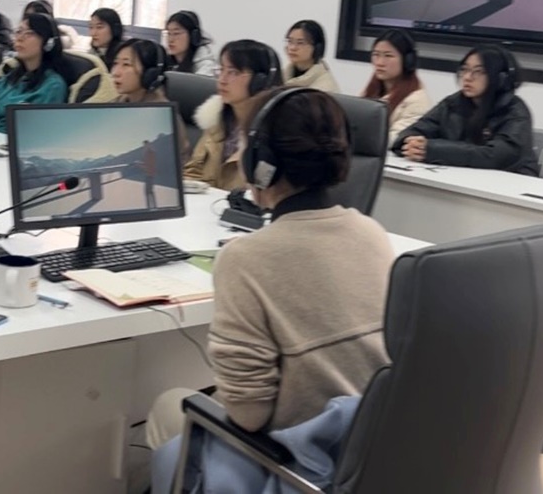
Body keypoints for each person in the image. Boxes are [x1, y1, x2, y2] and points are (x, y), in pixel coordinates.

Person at [146, 88, 393, 491]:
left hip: (294, 468)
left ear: (261, 164)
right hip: (363, 460)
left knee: (168, 406)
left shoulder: (246, 258)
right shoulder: (373, 234)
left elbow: (248, 416)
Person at [392, 44, 540, 175]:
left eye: (478, 71)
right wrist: (412, 144)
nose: (467, 77)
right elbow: (410, 133)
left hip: (509, 186)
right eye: (465, 70)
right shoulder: (452, 104)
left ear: (501, 78)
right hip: (461, 178)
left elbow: (495, 156)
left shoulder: (515, 112)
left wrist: (433, 150)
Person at [184, 40, 283, 191]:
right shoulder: (216, 121)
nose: (222, 80)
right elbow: (192, 174)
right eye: (221, 70)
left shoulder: (273, 132)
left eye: (233, 72)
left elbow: (267, 193)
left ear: (260, 81)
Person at [0, 13, 69, 133]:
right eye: (19, 31)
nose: (20, 38)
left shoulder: (53, 86)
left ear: (48, 43)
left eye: (29, 33)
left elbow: (39, 131)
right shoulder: (8, 79)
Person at [111, 39, 189, 163]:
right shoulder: (115, 105)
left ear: (149, 73)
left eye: (126, 64)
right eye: (116, 63)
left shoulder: (162, 115)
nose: (115, 72)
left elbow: (177, 165)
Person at [360, 29, 431, 143]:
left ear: (407, 61)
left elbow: (393, 139)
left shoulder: (417, 101)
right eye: (376, 54)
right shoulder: (372, 90)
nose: (380, 62)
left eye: (388, 56)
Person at [283, 19, 339, 92]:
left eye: (300, 43)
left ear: (317, 48)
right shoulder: (282, 75)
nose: (292, 48)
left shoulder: (325, 88)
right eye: (290, 41)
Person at [164, 10, 218, 77]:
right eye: (169, 33)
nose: (170, 39)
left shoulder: (206, 66)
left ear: (193, 36)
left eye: (176, 33)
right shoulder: (167, 63)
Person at [142, 140, 158, 208]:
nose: (144, 147)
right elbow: (146, 164)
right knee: (150, 191)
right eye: (144, 145)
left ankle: (150, 207)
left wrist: (139, 165)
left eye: (145, 145)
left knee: (148, 191)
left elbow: (148, 165)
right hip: (149, 174)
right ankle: (153, 206)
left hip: (149, 174)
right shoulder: (149, 153)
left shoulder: (149, 153)